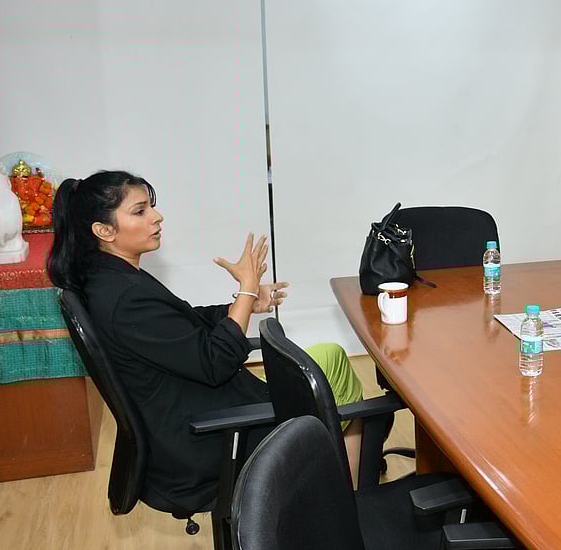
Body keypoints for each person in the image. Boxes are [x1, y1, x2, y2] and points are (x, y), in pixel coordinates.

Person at [48, 170, 364, 511]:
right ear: (104, 231)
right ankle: (343, 514)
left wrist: (244, 304)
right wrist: (245, 288)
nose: (157, 216)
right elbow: (216, 362)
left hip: (194, 410)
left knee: (329, 356)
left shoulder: (111, 277)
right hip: (206, 437)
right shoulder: (125, 299)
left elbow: (184, 321)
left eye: (151, 207)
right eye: (140, 211)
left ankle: (325, 496)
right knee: (349, 401)